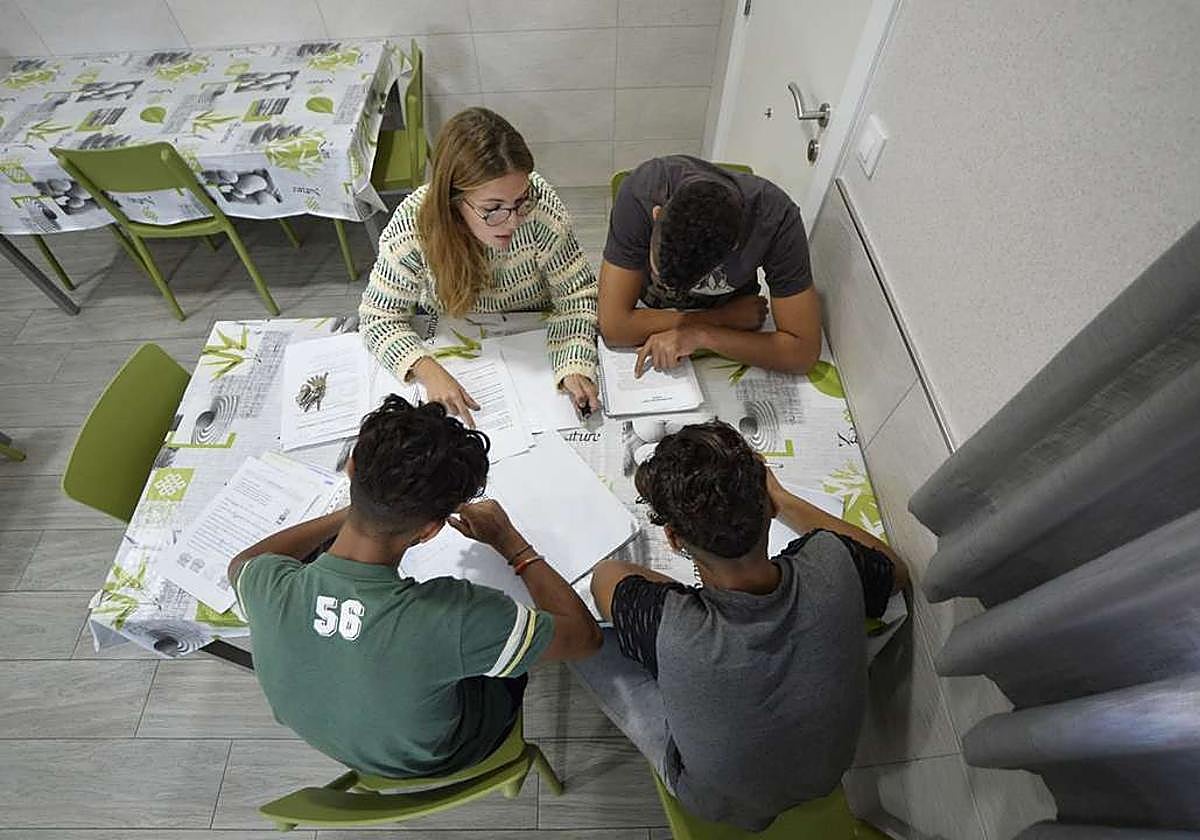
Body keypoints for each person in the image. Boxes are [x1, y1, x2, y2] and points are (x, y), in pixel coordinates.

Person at [227, 396, 602, 779]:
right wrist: (511, 542)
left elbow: (241, 563)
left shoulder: (266, 584)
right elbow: (587, 639)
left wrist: (362, 510)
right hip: (435, 755)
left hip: (345, 747)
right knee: (503, 652)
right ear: (430, 530)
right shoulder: (454, 616)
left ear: (352, 467)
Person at [574, 421, 910, 831]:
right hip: (827, 775)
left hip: (720, 804)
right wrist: (783, 499)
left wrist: (685, 602)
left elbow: (606, 577)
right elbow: (896, 570)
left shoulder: (670, 626)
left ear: (675, 540)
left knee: (586, 644)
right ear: (766, 506)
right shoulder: (834, 562)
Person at [360, 107, 600, 426]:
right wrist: (427, 369)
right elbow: (378, 316)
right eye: (493, 209)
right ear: (454, 201)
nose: (513, 220)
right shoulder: (413, 226)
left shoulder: (541, 210)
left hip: (532, 337)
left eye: (521, 200)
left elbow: (578, 295)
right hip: (455, 337)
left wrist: (573, 364)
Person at [598, 155, 822, 377]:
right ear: (657, 214)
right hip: (662, 316)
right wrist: (722, 318)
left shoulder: (775, 219)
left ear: (734, 246)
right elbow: (614, 327)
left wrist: (701, 335)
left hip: (730, 334)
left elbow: (802, 353)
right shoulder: (642, 193)